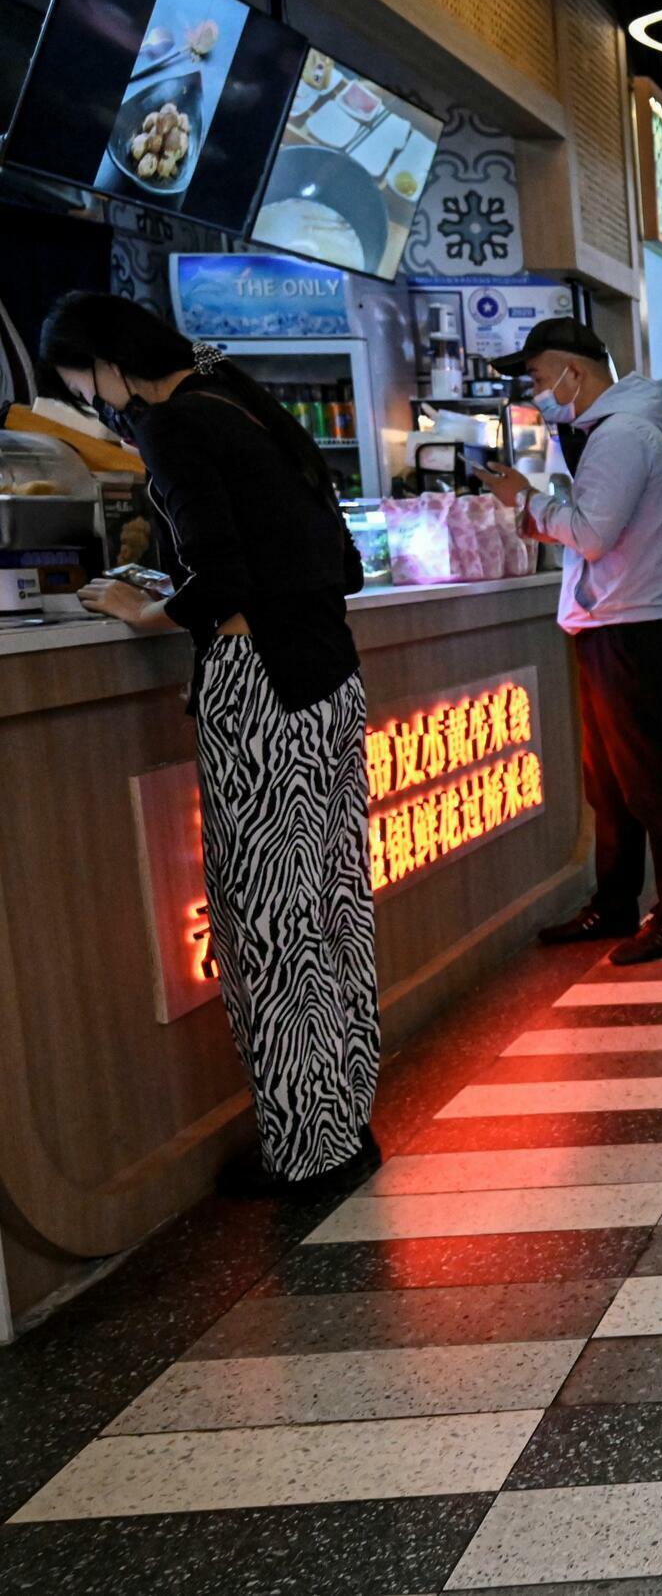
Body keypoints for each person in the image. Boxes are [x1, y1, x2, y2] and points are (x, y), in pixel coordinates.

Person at [45, 292, 380, 1195]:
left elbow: (221, 576)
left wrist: (142, 606)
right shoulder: (240, 401)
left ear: (107, 361)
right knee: (331, 907)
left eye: (81, 382)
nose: (88, 400)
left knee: (266, 921)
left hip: (260, 688)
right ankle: (344, 1124)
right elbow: (342, 564)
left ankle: (306, 1151)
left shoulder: (175, 425)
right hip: (328, 677)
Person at [474, 318, 662, 966]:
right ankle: (615, 904)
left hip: (632, 629)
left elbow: (593, 533)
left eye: (540, 378)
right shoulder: (613, 432)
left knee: (651, 781)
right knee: (612, 784)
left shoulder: (621, 436)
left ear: (574, 371)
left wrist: (527, 499)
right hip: (617, 625)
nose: (538, 392)